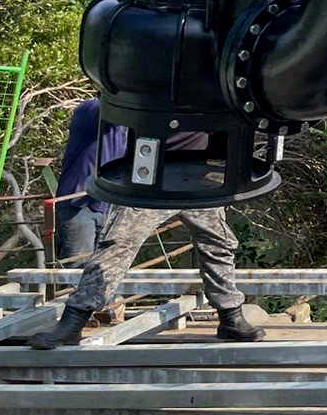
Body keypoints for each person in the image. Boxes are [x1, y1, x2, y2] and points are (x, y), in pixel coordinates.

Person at [30, 117, 265, 348]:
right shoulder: (155, 80)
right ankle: (74, 320)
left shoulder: (214, 85)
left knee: (218, 243)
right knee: (117, 243)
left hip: (200, 178)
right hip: (152, 177)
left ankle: (230, 316)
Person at [51, 99, 126, 261]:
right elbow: (110, 109)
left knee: (103, 270)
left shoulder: (125, 129)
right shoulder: (90, 109)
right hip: (78, 206)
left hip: (107, 207)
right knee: (77, 272)